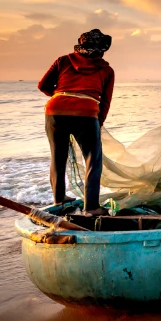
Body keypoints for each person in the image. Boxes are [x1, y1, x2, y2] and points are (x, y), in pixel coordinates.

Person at [38, 29, 114, 216]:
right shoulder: (106, 70)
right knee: (92, 160)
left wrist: (61, 96)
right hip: (86, 113)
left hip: (55, 110)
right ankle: (91, 207)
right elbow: (105, 102)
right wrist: (99, 121)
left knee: (57, 157)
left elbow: (43, 86)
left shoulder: (63, 60)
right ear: (101, 49)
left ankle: (59, 199)